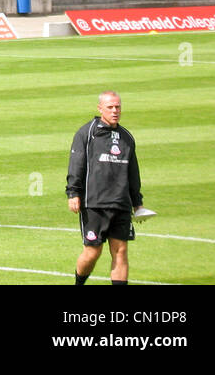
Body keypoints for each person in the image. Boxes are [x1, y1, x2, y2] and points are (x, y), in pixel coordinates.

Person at [66, 91, 144, 285]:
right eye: (110, 107)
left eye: (117, 107)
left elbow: (133, 172)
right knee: (93, 251)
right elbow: (77, 163)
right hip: (94, 204)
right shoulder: (87, 133)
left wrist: (138, 203)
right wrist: (73, 192)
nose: (115, 111)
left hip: (120, 203)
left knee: (121, 251)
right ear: (100, 108)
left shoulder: (127, 137)